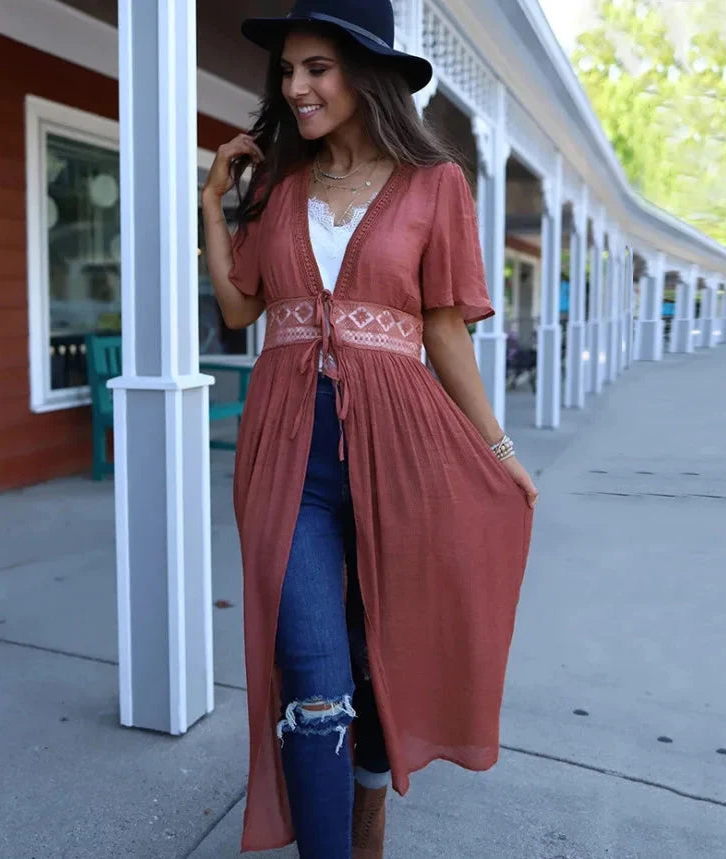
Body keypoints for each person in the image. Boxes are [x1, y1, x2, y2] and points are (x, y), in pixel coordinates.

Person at [201, 2, 537, 855]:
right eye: (287, 72)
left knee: (380, 658)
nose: (295, 87)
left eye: (315, 67)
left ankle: (370, 806)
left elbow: (442, 329)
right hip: (286, 454)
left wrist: (498, 451)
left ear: (363, 71)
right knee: (314, 681)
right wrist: (214, 205)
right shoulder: (277, 185)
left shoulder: (434, 184)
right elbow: (241, 309)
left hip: (404, 453)